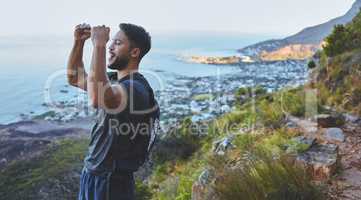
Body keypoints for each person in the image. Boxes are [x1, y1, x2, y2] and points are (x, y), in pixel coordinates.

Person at [67, 22, 160, 200]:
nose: (110, 47)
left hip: (111, 182)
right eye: (111, 43)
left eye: (117, 43)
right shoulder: (114, 81)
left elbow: (96, 98)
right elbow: (74, 77)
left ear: (134, 52)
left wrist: (99, 45)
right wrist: (79, 43)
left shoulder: (136, 89)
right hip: (92, 175)